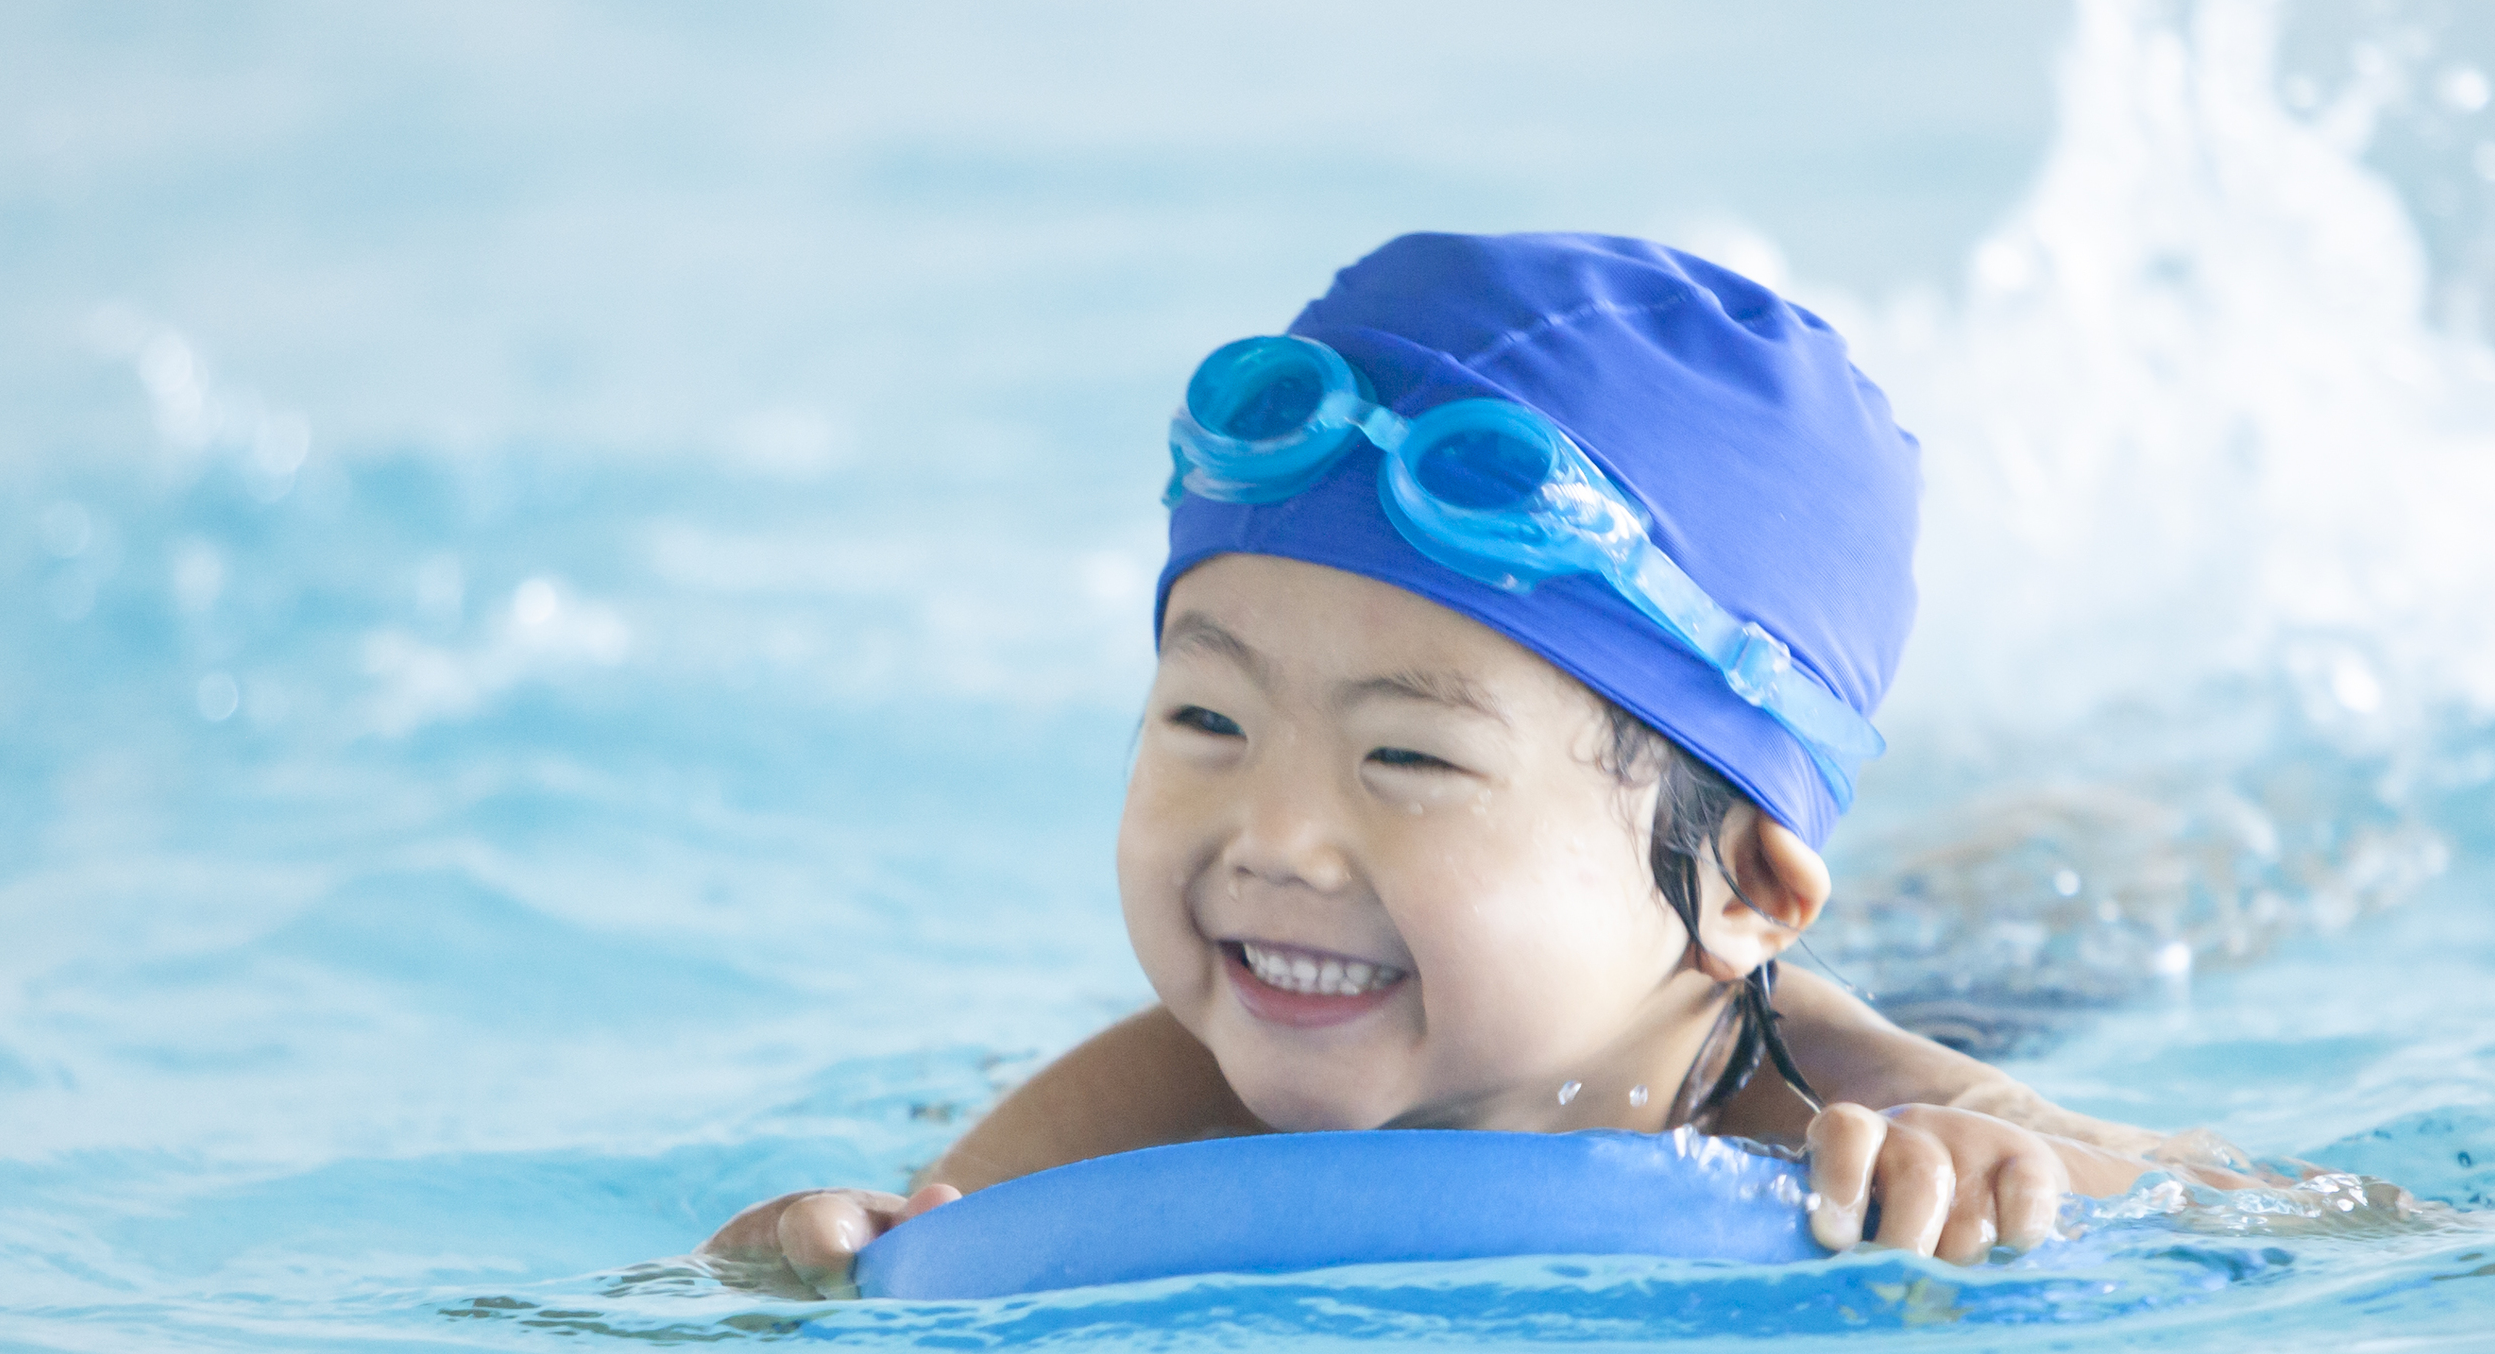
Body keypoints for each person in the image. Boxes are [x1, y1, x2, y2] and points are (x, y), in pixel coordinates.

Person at [709, 231, 2378, 1298]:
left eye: (1407, 757)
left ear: (1742, 886)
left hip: (1816, 1022)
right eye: (1207, 721)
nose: (1274, 836)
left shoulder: (1835, 1118)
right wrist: (794, 1261)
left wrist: (2040, 1184)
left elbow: (2340, 1223)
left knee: (2069, 917)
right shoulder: (1168, 1093)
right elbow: (830, 1282)